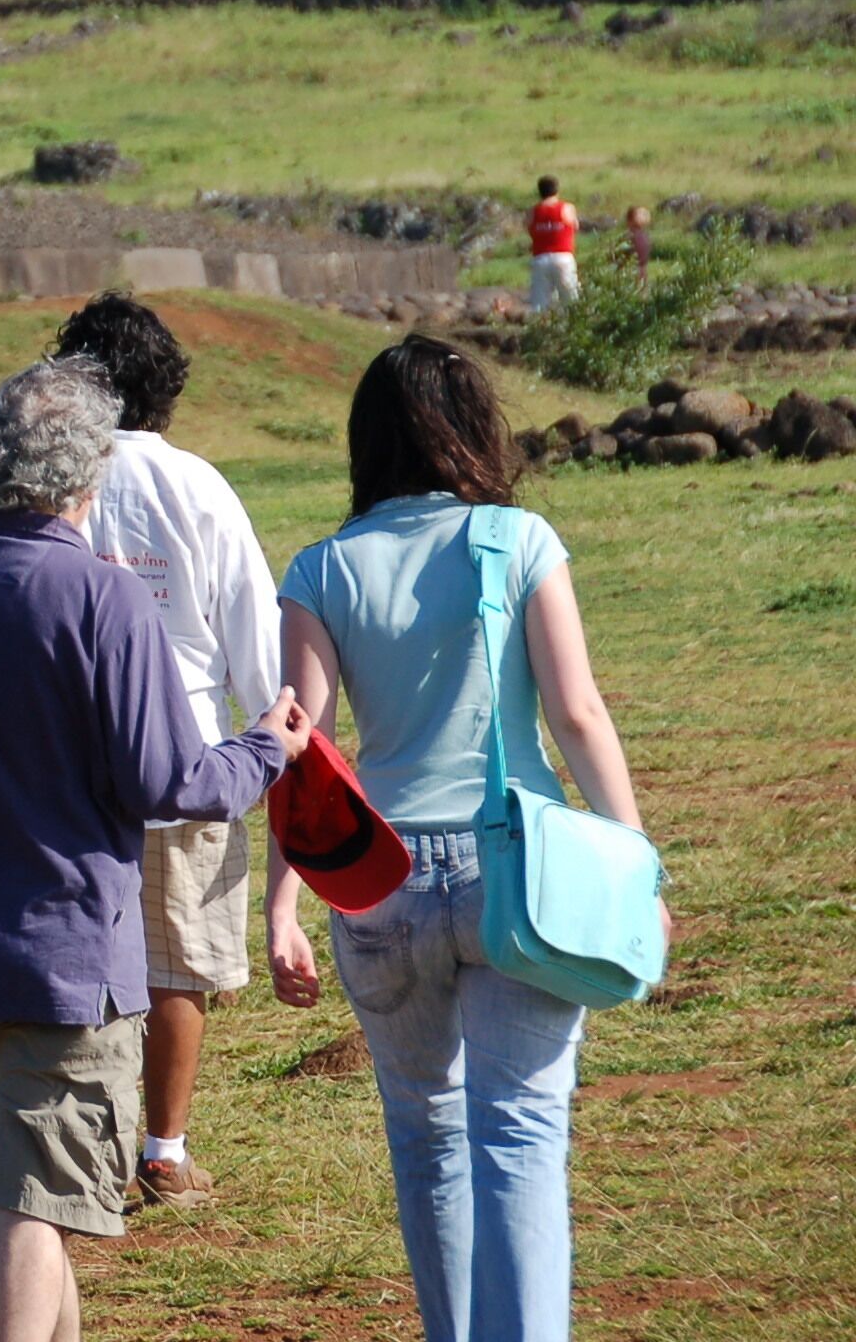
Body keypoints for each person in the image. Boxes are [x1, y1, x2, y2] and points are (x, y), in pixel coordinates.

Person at [0, 360, 309, 1342]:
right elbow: (168, 782)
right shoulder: (102, 598)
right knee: (33, 1217)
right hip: (65, 966)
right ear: (86, 476)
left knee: (26, 1215)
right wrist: (267, 745)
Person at [265, 337, 663, 1342]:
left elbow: (302, 754)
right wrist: (637, 863)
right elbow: (575, 712)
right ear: (472, 427)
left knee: (425, 1137)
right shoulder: (518, 540)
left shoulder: (319, 568)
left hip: (378, 883)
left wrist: (279, 908)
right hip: (514, 872)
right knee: (519, 1131)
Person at [52, 293, 281, 1210]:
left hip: (65, 764)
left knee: (80, 960)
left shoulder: (48, 480)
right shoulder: (198, 487)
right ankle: (163, 1150)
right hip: (186, 761)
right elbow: (254, 635)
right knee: (178, 963)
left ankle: (84, 1146)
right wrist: (272, 736)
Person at [527, 176, 581, 313]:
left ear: (539, 191)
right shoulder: (567, 208)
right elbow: (575, 226)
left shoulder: (532, 211)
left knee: (539, 303)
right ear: (557, 190)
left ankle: (540, 324)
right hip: (563, 257)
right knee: (570, 299)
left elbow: (529, 228)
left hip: (540, 258)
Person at [625, 202, 654, 286]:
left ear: (630, 221)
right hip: (643, 270)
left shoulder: (629, 237)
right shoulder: (646, 236)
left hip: (631, 271)